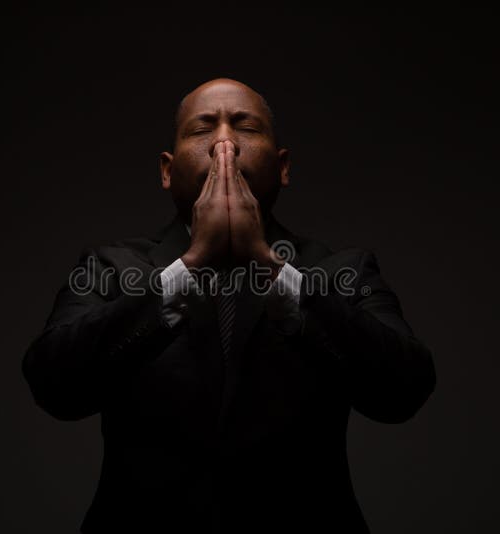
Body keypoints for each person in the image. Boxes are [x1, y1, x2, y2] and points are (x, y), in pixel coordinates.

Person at [22, 78, 436, 533]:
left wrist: (267, 264)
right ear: (167, 170)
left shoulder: (345, 269)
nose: (225, 144)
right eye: (203, 130)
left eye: (245, 128)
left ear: (283, 167)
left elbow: (405, 389)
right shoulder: (108, 266)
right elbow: (53, 384)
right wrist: (193, 262)